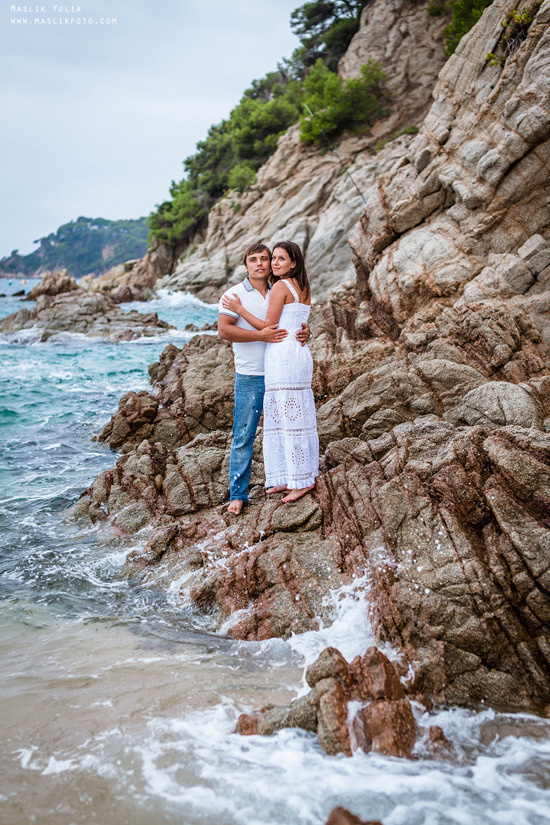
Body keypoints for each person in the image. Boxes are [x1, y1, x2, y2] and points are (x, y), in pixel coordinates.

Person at [221, 241, 319, 503]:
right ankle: (255, 489)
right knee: (270, 427)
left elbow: (275, 325)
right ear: (246, 265)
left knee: (287, 422)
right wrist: (302, 332)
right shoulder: (302, 287)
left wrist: (241, 310)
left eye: (274, 259)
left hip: (281, 363)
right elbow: (224, 330)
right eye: (260, 259)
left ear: (292, 263)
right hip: (269, 367)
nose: (268, 263)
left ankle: (298, 479)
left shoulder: (278, 287)